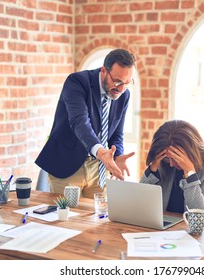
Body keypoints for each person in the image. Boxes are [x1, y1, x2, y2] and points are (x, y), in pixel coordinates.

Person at [35, 49, 136, 198]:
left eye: (127, 83)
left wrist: (118, 156)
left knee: (98, 218)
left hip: (99, 170)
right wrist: (101, 152)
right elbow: (80, 122)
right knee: (66, 219)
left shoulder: (123, 95)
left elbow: (116, 133)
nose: (121, 89)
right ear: (104, 71)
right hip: (67, 164)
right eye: (117, 81)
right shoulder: (77, 82)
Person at [140, 120, 204, 219]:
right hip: (167, 228)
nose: (171, 164)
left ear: (192, 152)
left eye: (175, 158)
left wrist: (189, 173)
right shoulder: (163, 164)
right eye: (167, 158)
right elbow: (140, 201)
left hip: (203, 230)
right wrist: (152, 169)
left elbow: (198, 211)